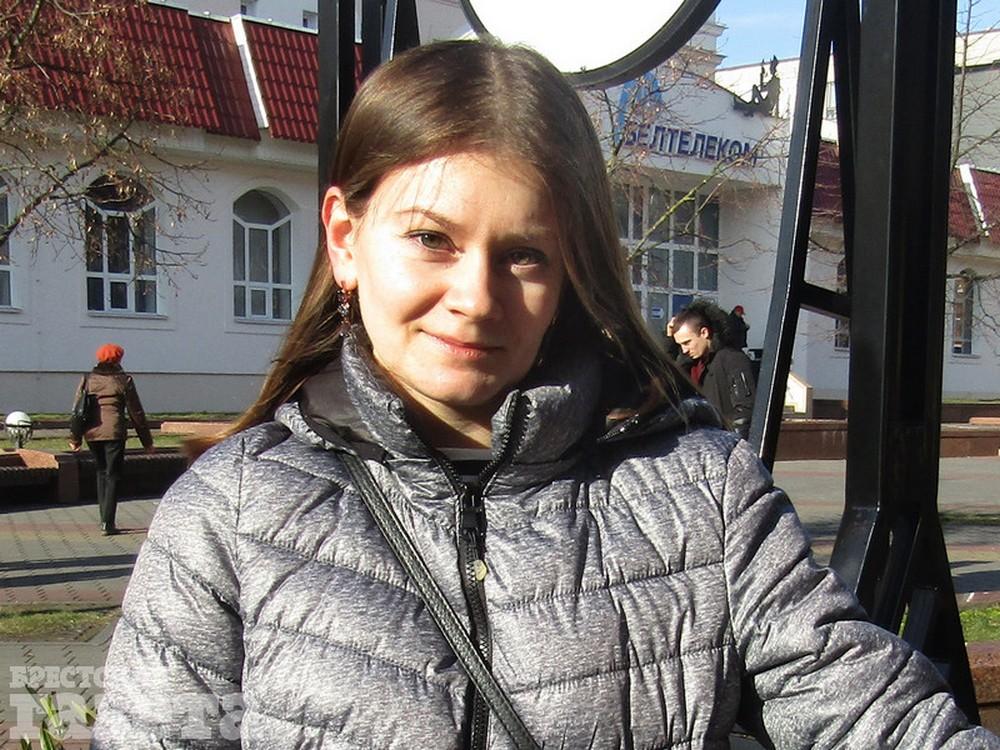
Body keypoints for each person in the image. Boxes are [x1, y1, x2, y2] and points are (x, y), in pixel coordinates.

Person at [91, 40, 998, 749]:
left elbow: (866, 709)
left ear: (569, 270)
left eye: (524, 254)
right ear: (345, 237)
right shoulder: (231, 512)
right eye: (432, 239)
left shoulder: (702, 491)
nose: (476, 297)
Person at [69, 343, 153, 535]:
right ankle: (108, 523)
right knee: (113, 475)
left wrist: (75, 437)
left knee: (101, 472)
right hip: (115, 432)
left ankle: (103, 519)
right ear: (119, 359)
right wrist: (147, 441)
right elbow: (136, 412)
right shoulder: (124, 380)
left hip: (92, 433)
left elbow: (77, 410)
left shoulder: (87, 379)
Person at [668, 300, 757, 439]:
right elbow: (664, 378)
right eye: (680, 345)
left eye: (687, 342)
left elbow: (745, 411)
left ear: (704, 332)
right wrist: (668, 340)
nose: (684, 350)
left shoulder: (731, 358)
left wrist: (729, 443)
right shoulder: (692, 363)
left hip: (723, 443)